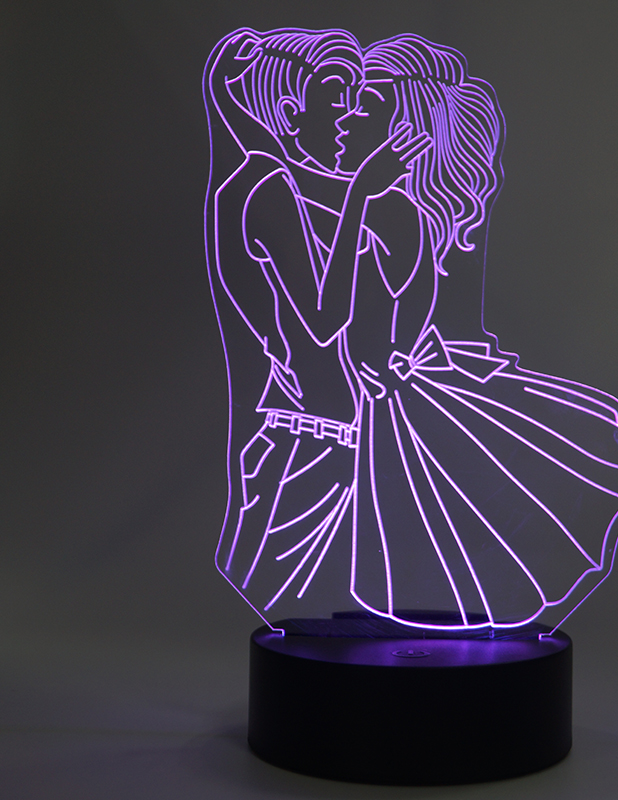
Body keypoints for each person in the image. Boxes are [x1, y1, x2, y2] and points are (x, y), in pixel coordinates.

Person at [327, 34, 618, 631]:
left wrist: (356, 198)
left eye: (365, 106)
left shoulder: (387, 209)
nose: (347, 116)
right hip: (397, 395)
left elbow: (335, 320)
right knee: (438, 544)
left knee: (437, 544)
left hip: (398, 399)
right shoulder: (416, 208)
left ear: (407, 129)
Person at [204, 29, 431, 620]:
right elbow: (325, 322)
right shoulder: (267, 191)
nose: (349, 119)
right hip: (299, 447)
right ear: (288, 112)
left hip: (317, 439)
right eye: (335, 99)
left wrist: (220, 96)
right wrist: (361, 195)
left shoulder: (263, 182)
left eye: (354, 101)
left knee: (309, 614)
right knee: (286, 608)